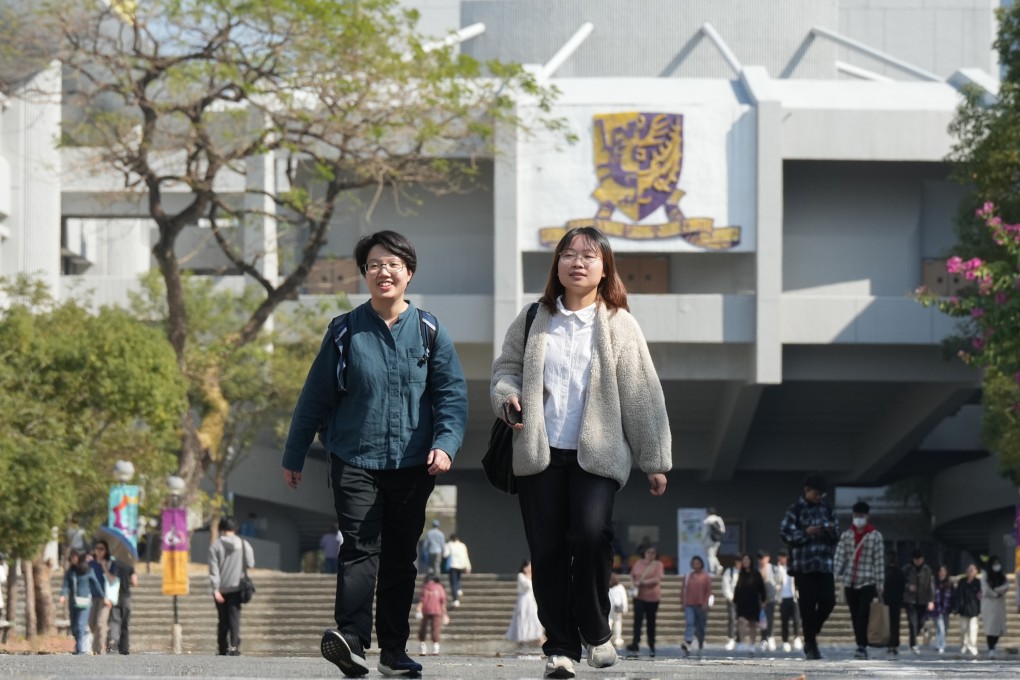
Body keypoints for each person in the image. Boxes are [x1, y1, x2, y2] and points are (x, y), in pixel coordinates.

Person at [282, 230, 468, 679]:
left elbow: (451, 396)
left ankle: (394, 651)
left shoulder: (429, 330)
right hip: (354, 457)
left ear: (409, 272)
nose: (383, 272)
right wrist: (295, 453)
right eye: (373, 265)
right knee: (360, 548)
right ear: (364, 274)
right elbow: (315, 397)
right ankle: (351, 640)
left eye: (392, 264)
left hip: (413, 463)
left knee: (401, 557)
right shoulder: (345, 330)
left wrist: (445, 444)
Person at [490, 226, 671, 680]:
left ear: (604, 267)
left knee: (591, 535)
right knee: (547, 550)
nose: (577, 262)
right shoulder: (535, 317)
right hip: (540, 451)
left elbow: (642, 394)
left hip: (598, 453)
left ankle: (595, 627)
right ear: (557, 265)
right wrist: (508, 396)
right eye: (568, 254)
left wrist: (655, 460)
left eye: (589, 256)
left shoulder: (618, 323)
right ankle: (561, 647)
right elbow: (505, 370)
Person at [778, 473, 838, 660]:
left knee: (829, 601)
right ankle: (811, 645)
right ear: (806, 490)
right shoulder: (795, 510)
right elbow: (784, 533)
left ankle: (812, 630)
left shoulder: (827, 509)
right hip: (803, 566)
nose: (818, 497)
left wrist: (829, 531)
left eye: (821, 494)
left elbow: (837, 534)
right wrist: (805, 532)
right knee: (807, 606)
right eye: (816, 493)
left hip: (824, 564)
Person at [832, 501, 884, 660]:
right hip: (849, 581)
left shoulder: (875, 536)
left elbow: (879, 561)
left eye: (861, 516)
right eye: (856, 516)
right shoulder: (846, 536)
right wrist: (833, 577)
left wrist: (880, 583)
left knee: (863, 613)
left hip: (867, 580)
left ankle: (862, 645)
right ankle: (859, 643)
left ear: (867, 516)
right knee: (854, 614)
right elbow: (839, 559)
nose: (858, 519)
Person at [209, 516, 255, 656]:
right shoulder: (243, 543)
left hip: (221, 589)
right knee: (234, 618)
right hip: (237, 588)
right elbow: (251, 563)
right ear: (235, 528)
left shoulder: (215, 546)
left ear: (222, 528)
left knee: (222, 620)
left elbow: (214, 570)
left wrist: (215, 589)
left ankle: (222, 648)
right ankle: (234, 647)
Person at [59, 549, 107, 655]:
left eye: (74, 557)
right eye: (71, 557)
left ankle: (80, 649)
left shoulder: (88, 570)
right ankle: (78, 645)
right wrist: (62, 595)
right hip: (73, 603)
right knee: (74, 627)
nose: (72, 559)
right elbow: (66, 585)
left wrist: (104, 597)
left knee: (80, 625)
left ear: (79, 558)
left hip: (85, 603)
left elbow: (96, 584)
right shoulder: (70, 571)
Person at [626, 545, 665, 660]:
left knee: (651, 621)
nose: (651, 554)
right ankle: (635, 643)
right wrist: (633, 582)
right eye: (649, 552)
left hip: (653, 597)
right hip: (638, 596)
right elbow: (632, 575)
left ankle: (651, 643)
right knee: (637, 620)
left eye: (653, 552)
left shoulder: (658, 564)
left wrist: (642, 582)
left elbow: (658, 579)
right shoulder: (638, 563)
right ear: (645, 553)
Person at [902, 548, 934, 655]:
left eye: (919, 559)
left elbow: (931, 585)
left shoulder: (927, 569)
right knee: (913, 622)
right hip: (910, 600)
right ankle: (913, 644)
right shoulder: (907, 569)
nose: (918, 561)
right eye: (916, 559)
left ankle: (913, 638)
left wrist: (931, 600)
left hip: (923, 600)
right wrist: (908, 586)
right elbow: (901, 582)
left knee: (921, 622)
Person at [88, 540, 117, 655]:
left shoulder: (111, 563)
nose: (99, 551)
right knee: (91, 623)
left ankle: (99, 651)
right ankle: (98, 647)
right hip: (93, 597)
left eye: (101, 549)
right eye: (97, 548)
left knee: (100, 624)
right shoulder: (91, 564)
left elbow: (112, 580)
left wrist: (104, 567)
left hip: (106, 598)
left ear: (106, 551)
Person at [732, 553, 765, 655]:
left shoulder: (756, 574)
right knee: (741, 621)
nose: (746, 562)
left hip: (753, 602)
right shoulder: (740, 573)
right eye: (744, 560)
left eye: (747, 560)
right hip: (742, 603)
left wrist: (763, 600)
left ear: (750, 561)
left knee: (752, 624)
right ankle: (741, 642)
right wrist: (735, 600)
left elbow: (762, 588)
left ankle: (752, 644)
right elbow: (737, 588)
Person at [506, 560, 544, 648]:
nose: (530, 568)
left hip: (531, 601)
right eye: (529, 566)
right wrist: (529, 577)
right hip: (523, 600)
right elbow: (527, 586)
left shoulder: (532, 576)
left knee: (534, 618)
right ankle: (521, 640)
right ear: (525, 567)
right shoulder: (521, 576)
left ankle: (539, 637)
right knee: (522, 618)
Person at [680, 555, 712, 658]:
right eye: (694, 563)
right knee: (690, 622)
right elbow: (683, 590)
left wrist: (705, 602)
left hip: (701, 605)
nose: (696, 565)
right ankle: (688, 642)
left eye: (698, 563)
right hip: (689, 604)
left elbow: (708, 591)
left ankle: (701, 642)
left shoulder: (706, 577)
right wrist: (683, 602)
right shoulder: (688, 576)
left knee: (700, 626)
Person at [107, 559, 138, 654]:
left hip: (114, 596)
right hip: (125, 596)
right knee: (125, 623)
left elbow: (109, 579)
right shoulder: (129, 566)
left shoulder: (112, 564)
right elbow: (135, 582)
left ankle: (113, 643)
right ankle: (124, 648)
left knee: (115, 620)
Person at [980, 555, 1008, 658]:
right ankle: (991, 648)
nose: (997, 566)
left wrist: (997, 591)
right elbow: (985, 590)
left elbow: (1006, 586)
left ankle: (994, 645)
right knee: (989, 628)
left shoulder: (1002, 576)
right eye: (995, 563)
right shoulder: (985, 576)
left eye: (998, 563)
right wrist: (995, 594)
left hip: (999, 605)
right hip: (988, 605)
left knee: (997, 628)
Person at [775, 549, 802, 652]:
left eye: (782, 557)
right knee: (784, 621)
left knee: (796, 619)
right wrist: (779, 568)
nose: (781, 559)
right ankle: (785, 641)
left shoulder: (793, 567)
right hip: (783, 598)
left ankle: (797, 638)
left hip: (794, 597)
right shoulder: (779, 569)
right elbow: (777, 580)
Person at [756, 549, 782, 652]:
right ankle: (763, 639)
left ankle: (770, 637)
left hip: (771, 598)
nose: (761, 560)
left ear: (767, 558)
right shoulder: (756, 570)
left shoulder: (774, 568)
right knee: (762, 620)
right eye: (759, 558)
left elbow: (779, 581)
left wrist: (777, 589)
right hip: (759, 600)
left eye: (762, 558)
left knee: (770, 618)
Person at [415, 575, 447, 656]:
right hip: (437, 611)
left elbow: (422, 600)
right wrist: (445, 614)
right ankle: (435, 648)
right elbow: (443, 601)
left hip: (425, 610)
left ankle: (423, 648)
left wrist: (419, 609)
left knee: (423, 629)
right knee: (435, 629)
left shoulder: (425, 587)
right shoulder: (440, 587)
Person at [955, 562, 981, 656]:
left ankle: (972, 647)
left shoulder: (978, 582)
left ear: (976, 571)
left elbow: (980, 596)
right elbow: (958, 594)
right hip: (963, 609)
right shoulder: (962, 581)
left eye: (972, 570)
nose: (970, 572)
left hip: (974, 610)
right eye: (969, 569)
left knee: (973, 629)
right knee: (963, 629)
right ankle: (963, 646)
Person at [883, 551, 906, 655]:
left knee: (888, 623)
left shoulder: (885, 572)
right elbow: (903, 587)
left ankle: (890, 643)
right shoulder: (899, 572)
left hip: (887, 600)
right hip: (896, 601)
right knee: (895, 623)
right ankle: (894, 643)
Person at [443, 534, 471, 607]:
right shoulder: (462, 545)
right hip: (461, 565)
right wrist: (468, 566)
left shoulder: (449, 545)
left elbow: (445, 554)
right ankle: (458, 590)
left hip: (452, 565)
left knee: (453, 582)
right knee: (458, 578)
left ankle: (455, 600)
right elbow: (466, 556)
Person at [932, 564, 954, 654]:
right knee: (939, 627)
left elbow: (953, 596)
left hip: (946, 608)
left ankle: (940, 643)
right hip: (936, 608)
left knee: (944, 627)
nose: (942, 573)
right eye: (940, 571)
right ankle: (941, 644)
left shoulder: (949, 583)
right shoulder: (934, 583)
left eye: (944, 571)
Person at [721, 555, 741, 651]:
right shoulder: (730, 571)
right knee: (732, 619)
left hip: (744, 601)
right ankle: (731, 639)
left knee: (742, 621)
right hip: (732, 600)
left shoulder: (746, 572)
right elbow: (725, 585)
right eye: (738, 561)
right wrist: (731, 597)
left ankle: (740, 640)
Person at [607, 573, 628, 648]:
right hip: (615, 608)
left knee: (610, 622)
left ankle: (610, 638)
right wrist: (625, 608)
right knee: (617, 623)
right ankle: (617, 638)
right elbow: (624, 598)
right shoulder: (620, 587)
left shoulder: (609, 587)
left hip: (612, 608)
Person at [702, 508, 725, 575]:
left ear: (708, 513)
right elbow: (723, 530)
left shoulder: (707, 520)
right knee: (713, 555)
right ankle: (718, 567)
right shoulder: (719, 519)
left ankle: (712, 570)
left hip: (708, 541)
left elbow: (704, 532)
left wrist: (701, 540)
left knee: (710, 556)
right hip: (716, 540)